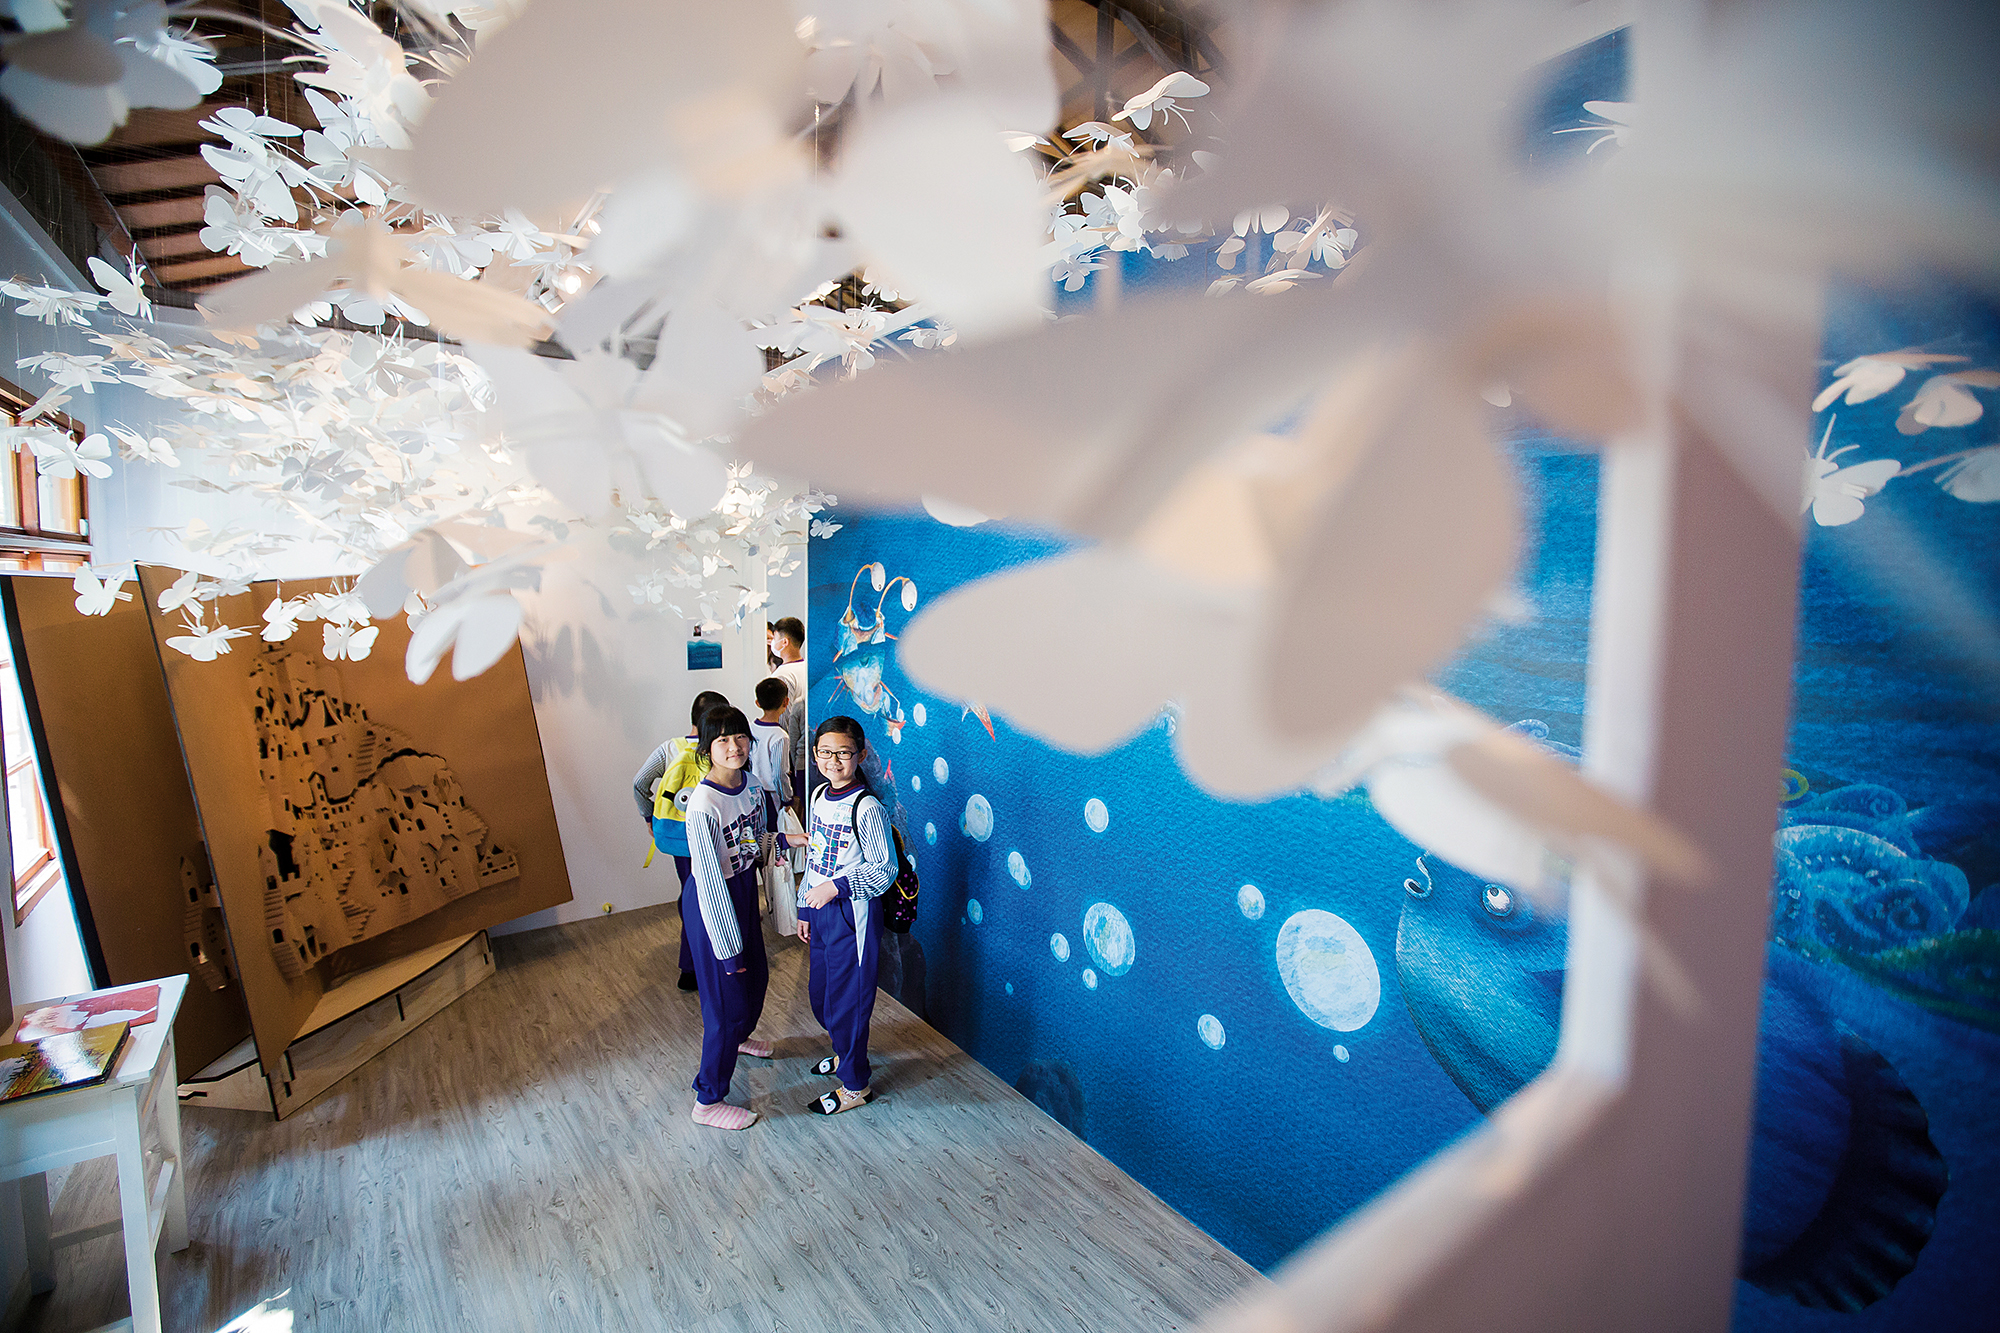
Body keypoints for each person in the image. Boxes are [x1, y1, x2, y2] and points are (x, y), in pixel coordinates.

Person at [682, 705, 806, 1130]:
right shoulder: (703, 804)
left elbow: (753, 840)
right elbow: (709, 879)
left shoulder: (752, 786)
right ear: (706, 748)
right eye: (722, 740)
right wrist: (727, 948)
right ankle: (708, 1100)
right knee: (726, 1002)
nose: (733, 746)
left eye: (739, 737)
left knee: (756, 980)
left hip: (742, 892)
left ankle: (739, 1039)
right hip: (712, 903)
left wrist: (784, 839)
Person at [797, 715, 896, 1116]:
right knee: (822, 995)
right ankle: (843, 1053)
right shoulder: (819, 794)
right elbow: (816, 856)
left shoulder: (867, 807)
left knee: (848, 1002)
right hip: (820, 911)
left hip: (851, 915)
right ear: (815, 753)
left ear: (861, 755)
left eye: (843, 753)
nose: (833, 761)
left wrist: (836, 888)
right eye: (825, 752)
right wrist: (805, 906)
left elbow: (884, 869)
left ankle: (855, 1085)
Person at [631, 690, 727, 992]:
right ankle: (715, 961)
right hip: (717, 836)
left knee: (691, 894)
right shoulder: (721, 749)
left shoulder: (670, 748)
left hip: (680, 836)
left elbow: (639, 783)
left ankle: (691, 967)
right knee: (717, 897)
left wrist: (650, 817)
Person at [769, 617, 809, 813]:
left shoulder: (782, 675)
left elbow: (782, 718)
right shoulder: (807, 667)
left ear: (784, 642)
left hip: (792, 750)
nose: (771, 644)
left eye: (774, 639)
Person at [749, 677, 793, 818]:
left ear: (758, 703)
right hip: (771, 796)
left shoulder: (750, 729)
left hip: (750, 792)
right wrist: (787, 799)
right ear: (786, 701)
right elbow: (779, 773)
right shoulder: (780, 736)